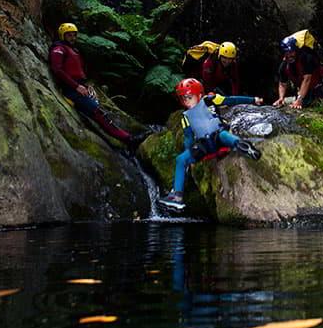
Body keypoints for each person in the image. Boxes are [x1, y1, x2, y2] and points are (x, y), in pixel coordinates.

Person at [159, 78, 263, 210]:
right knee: (181, 159)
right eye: (183, 98)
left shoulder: (209, 100)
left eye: (189, 97)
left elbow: (232, 99)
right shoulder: (185, 117)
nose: (186, 101)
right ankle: (177, 197)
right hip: (204, 145)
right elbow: (188, 137)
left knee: (224, 135)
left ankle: (242, 145)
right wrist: (189, 155)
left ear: (199, 95)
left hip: (216, 137)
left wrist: (253, 100)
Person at [49, 22, 146, 150]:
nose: (72, 38)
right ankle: (129, 140)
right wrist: (76, 86)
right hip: (71, 90)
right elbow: (57, 69)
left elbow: (78, 71)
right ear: (62, 35)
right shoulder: (59, 49)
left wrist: (85, 85)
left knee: (101, 112)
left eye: (74, 35)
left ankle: (127, 138)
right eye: (69, 35)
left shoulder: (74, 50)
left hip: (80, 88)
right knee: (98, 112)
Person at [272, 35, 323, 110]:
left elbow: (307, 79)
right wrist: (281, 98)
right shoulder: (284, 66)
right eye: (286, 53)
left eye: (291, 52)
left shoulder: (306, 58)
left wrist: (299, 100)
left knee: (316, 104)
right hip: (304, 91)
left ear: (296, 50)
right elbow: (282, 83)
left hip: (319, 87)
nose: (289, 55)